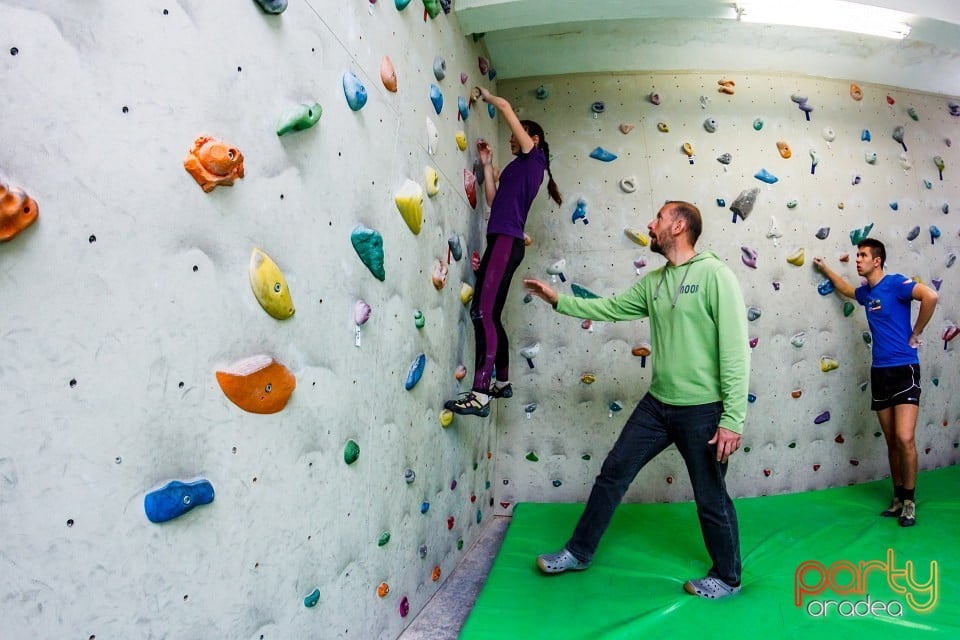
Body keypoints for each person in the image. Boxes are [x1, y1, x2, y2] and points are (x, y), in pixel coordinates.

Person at [524, 201, 749, 599]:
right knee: (613, 473)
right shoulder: (655, 282)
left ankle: (728, 578)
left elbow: (735, 349)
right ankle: (579, 552)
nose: (650, 224)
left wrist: (733, 417)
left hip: (703, 410)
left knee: (710, 497)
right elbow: (609, 308)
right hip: (658, 405)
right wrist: (558, 300)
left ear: (678, 226)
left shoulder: (716, 275)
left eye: (658, 218)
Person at [444, 86, 562, 418]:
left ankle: (480, 393)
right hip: (504, 239)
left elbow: (507, 106)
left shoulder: (533, 158)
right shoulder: (518, 169)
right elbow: (495, 202)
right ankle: (502, 382)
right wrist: (486, 166)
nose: (513, 139)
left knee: (481, 313)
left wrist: (487, 95)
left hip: (506, 242)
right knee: (490, 315)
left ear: (533, 139)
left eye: (520, 135)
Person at [813, 239, 938, 527]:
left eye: (863, 255)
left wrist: (916, 332)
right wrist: (824, 268)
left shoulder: (895, 283)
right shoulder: (867, 293)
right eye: (857, 255)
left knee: (905, 438)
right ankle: (897, 497)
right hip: (880, 372)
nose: (858, 260)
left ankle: (909, 501)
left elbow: (930, 296)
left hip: (904, 368)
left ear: (877, 260)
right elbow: (845, 290)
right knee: (892, 440)